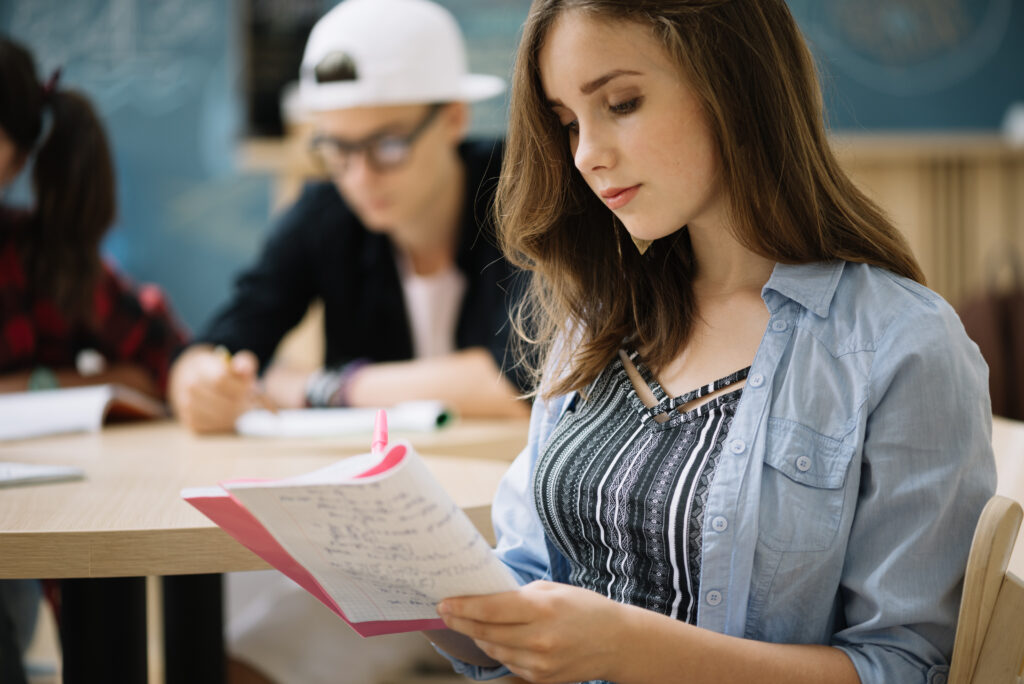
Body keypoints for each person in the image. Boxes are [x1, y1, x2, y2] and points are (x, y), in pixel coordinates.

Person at [427, 2, 997, 683]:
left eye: (623, 102)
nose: (587, 155)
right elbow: (526, 574)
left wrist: (627, 648)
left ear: (733, 82)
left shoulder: (901, 346)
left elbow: (904, 667)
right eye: (568, 123)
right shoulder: (598, 318)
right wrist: (434, 602)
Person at [168, 0, 530, 435]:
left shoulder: (525, 197)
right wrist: (199, 382)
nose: (360, 178)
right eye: (338, 149)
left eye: (389, 144)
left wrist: (326, 387)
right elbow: (223, 341)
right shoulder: (324, 215)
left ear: (454, 117)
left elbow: (520, 382)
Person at [0, 36, 188, 684]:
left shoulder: (35, 259)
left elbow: (167, 356)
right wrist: (42, 384)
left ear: (14, 157)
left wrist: (62, 382)